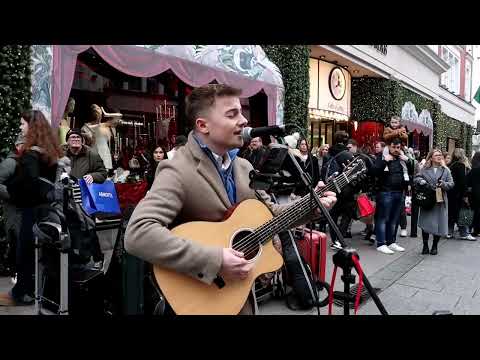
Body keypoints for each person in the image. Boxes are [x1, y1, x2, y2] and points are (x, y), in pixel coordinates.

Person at [124, 84, 337, 315]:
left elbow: (271, 215)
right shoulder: (177, 169)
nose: (244, 120)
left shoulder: (244, 166)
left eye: (241, 112)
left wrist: (311, 206)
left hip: (238, 297)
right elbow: (138, 233)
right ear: (203, 125)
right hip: (200, 297)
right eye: (232, 114)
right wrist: (215, 259)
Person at [0, 110, 63, 306]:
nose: (20, 127)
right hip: (45, 209)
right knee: (39, 254)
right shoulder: (50, 153)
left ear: (32, 127)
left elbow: (30, 184)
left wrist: (12, 191)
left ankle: (21, 293)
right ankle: (33, 291)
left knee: (25, 252)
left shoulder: (30, 155)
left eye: (22, 124)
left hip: (29, 210)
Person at [372, 137, 413, 254]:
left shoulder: (402, 158)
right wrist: (385, 160)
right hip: (385, 191)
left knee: (394, 219)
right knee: (383, 218)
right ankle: (381, 243)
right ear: (389, 146)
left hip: (399, 191)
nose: (396, 149)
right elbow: (374, 171)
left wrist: (408, 160)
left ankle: (391, 242)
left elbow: (412, 171)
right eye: (394, 147)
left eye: (398, 147)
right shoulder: (381, 156)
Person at [414, 149, 454, 255]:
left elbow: (451, 184)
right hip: (427, 199)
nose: (439, 156)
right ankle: (425, 245)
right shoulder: (425, 169)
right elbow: (416, 178)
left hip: (440, 200)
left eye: (440, 155)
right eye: (436, 155)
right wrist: (422, 181)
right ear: (431, 157)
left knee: (438, 223)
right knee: (425, 223)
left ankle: (435, 246)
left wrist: (443, 184)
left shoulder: (446, 170)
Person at [320, 130, 355, 247]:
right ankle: (340, 238)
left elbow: (323, 172)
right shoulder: (347, 154)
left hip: (331, 187)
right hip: (345, 188)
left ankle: (334, 239)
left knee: (333, 213)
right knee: (348, 213)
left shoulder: (328, 153)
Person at [0, 135, 25, 280]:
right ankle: (17, 276)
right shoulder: (10, 162)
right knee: (17, 241)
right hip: (13, 210)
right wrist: (12, 195)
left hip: (24, 209)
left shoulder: (26, 161)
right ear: (18, 146)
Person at [447, 148, 475, 240]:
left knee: (451, 213)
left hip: (450, 192)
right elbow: (462, 182)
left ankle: (449, 232)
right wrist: (465, 195)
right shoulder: (460, 165)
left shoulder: (450, 165)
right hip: (459, 193)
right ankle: (464, 233)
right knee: (464, 212)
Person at [383, 116, 409, 182]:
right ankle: (385, 166)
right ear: (390, 122)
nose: (394, 124)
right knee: (385, 152)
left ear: (399, 123)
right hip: (389, 145)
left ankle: (405, 172)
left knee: (402, 157)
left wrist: (397, 133)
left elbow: (406, 137)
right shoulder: (387, 129)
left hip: (399, 147)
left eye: (395, 122)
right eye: (392, 122)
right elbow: (385, 137)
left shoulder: (402, 128)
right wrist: (397, 132)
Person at [467, 151, 480, 236]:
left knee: (475, 211)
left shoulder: (473, 169)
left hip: (474, 193)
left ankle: (474, 229)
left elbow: (468, 181)